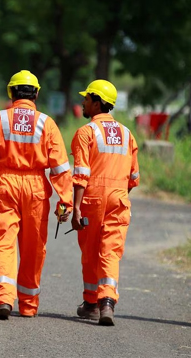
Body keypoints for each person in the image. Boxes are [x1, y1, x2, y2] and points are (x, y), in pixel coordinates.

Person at [0, 70, 73, 319]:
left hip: (3, 185)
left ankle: (4, 298)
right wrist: (66, 202)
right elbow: (60, 167)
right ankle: (27, 305)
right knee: (33, 248)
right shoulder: (46, 123)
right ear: (36, 93)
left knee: (2, 243)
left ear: (11, 92)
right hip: (36, 188)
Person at [70, 80, 139, 326]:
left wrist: (76, 208)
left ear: (97, 103)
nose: (83, 103)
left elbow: (80, 174)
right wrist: (118, 193)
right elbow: (134, 177)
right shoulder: (127, 134)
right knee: (110, 252)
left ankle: (90, 303)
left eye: (86, 99)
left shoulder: (85, 132)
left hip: (92, 198)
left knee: (90, 252)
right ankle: (106, 302)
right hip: (120, 197)